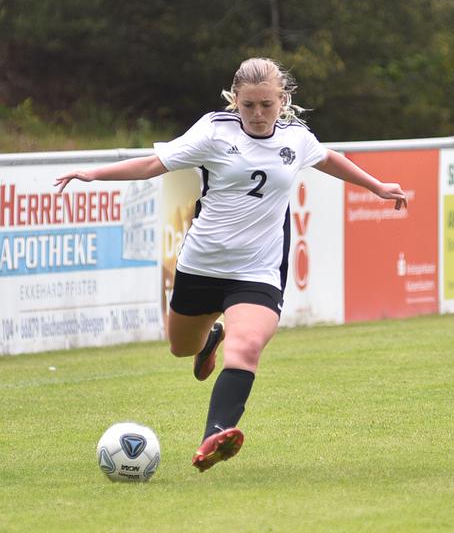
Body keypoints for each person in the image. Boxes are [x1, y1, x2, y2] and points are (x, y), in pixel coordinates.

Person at [55, 57, 408, 472]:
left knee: (247, 347)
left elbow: (327, 158)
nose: (258, 115)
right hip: (202, 263)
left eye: (267, 105)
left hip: (257, 270)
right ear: (234, 100)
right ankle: (208, 339)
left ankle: (214, 436)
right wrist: (93, 174)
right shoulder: (213, 131)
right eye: (249, 106)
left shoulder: (296, 136)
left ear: (283, 100)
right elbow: (154, 164)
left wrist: (377, 186)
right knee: (180, 347)